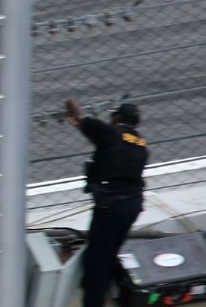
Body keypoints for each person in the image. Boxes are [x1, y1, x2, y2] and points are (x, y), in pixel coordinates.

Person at [66, 97, 149, 307]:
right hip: (133, 205)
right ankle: (120, 293)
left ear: (117, 118)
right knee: (110, 253)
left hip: (111, 207)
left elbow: (80, 119)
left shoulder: (111, 134)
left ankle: (93, 301)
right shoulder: (141, 146)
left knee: (96, 262)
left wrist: (72, 104)